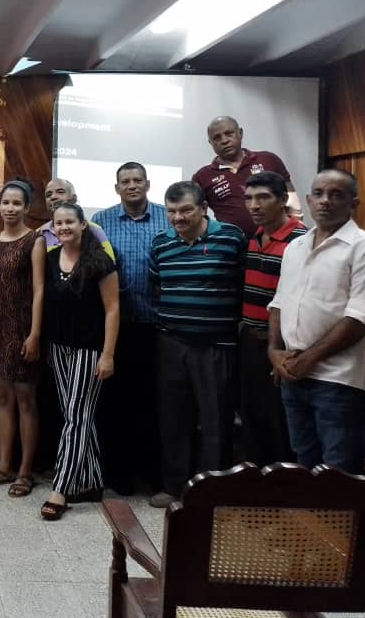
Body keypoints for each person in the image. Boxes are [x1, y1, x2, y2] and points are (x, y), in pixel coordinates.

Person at [148, 181, 246, 508]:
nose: (178, 217)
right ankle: (175, 487)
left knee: (216, 419)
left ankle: (211, 492)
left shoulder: (231, 237)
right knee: (173, 420)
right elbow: (157, 287)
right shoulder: (160, 243)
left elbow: (242, 287)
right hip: (171, 344)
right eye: (172, 211)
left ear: (203, 208)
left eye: (186, 210)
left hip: (216, 345)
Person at [268, 169, 365, 475]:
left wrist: (308, 359)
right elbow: (279, 303)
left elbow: (359, 318)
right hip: (292, 373)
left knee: (338, 469)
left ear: (354, 203)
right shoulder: (295, 247)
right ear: (309, 200)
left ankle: (340, 526)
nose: (326, 201)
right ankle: (308, 524)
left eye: (336, 195)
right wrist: (274, 352)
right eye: (320, 194)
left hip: (338, 379)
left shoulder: (363, 246)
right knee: (304, 461)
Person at [91, 162, 167, 494]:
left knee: (154, 404)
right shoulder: (101, 222)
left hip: (158, 326)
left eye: (138, 180)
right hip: (117, 329)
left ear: (148, 184)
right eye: (126, 181)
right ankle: (118, 476)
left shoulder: (168, 218)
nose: (132, 185)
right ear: (116, 187)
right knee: (116, 404)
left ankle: (151, 476)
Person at [39, 202, 118, 520]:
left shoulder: (100, 260)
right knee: (77, 416)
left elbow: (113, 309)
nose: (64, 228)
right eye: (58, 223)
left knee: (76, 417)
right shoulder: (48, 257)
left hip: (90, 349)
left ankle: (60, 488)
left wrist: (108, 354)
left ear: (83, 224)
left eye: (70, 221)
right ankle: (92, 481)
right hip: (58, 347)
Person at [0, 179, 42, 498]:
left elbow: (41, 289)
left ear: (27, 207)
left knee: (25, 401)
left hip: (22, 329)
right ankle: (3, 467)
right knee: (2, 399)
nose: (10, 208)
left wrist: (35, 333)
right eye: (6, 203)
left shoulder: (35, 240)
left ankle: (26, 472)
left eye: (17, 203)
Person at [239, 171, 305, 466]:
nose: (254, 205)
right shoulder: (253, 237)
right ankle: (257, 486)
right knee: (252, 417)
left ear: (282, 200)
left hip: (282, 347)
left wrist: (282, 348)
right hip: (250, 342)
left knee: (282, 423)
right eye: (249, 198)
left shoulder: (301, 240)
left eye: (263, 197)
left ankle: (284, 490)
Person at [191, 116, 299, 237]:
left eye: (229, 133)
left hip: (277, 241)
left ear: (240, 133)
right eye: (216, 138)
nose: (224, 140)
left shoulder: (269, 159)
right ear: (210, 142)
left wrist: (295, 233)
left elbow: (291, 199)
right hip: (232, 246)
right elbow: (198, 217)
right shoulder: (202, 177)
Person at [40, 178, 115, 259]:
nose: (53, 197)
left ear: (74, 199)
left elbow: (109, 265)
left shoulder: (94, 230)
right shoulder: (40, 233)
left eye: (60, 192)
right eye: (48, 195)